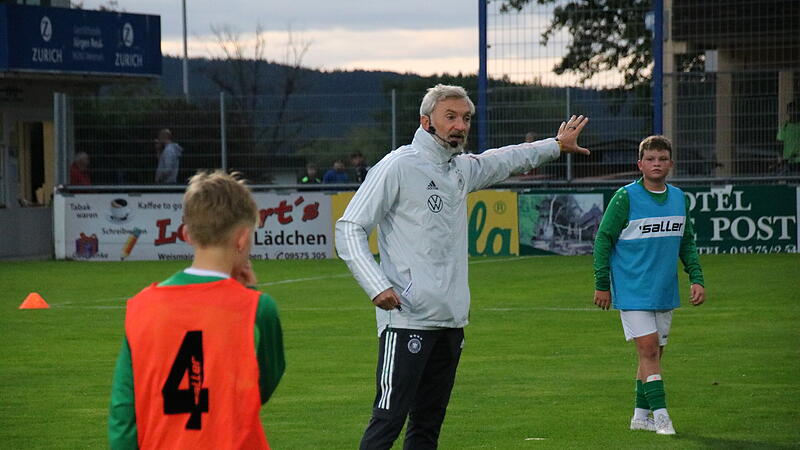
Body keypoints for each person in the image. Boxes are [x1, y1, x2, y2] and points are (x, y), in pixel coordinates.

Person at [335, 84, 589, 450]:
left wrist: (554, 145)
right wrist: (376, 285)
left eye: (466, 118)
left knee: (427, 427)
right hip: (407, 320)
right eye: (450, 117)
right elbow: (350, 227)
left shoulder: (459, 170)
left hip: (451, 321)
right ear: (426, 122)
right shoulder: (398, 166)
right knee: (387, 421)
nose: (460, 125)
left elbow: (504, 159)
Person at [108, 170, 285, 449]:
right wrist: (247, 292)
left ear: (186, 234)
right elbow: (260, 388)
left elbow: (123, 414)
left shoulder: (141, 306)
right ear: (242, 238)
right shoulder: (258, 309)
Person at [592, 135, 705, 436]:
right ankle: (662, 416)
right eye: (651, 159)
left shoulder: (679, 198)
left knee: (654, 355)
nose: (657, 164)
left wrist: (696, 278)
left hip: (664, 290)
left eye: (662, 159)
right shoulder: (625, 197)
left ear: (670, 163)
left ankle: (640, 416)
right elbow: (604, 238)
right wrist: (602, 284)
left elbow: (687, 242)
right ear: (640, 164)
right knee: (649, 350)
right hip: (632, 290)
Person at [777, 100, 800, 174]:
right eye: (790, 110)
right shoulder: (784, 127)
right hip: (788, 161)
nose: (793, 112)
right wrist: (781, 158)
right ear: (787, 112)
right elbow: (780, 143)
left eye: (795, 110)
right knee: (791, 183)